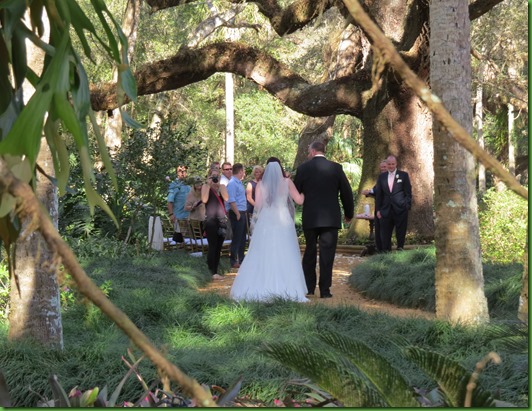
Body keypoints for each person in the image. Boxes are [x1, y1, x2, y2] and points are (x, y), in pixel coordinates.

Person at [230, 160, 308, 302]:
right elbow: (299, 201)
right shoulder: (287, 182)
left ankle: (259, 283)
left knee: (262, 250)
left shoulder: (261, 184)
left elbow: (258, 205)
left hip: (266, 219)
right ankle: (288, 286)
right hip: (283, 219)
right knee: (286, 251)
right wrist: (304, 192)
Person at [294, 141, 354, 299]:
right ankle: (325, 290)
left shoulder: (303, 169)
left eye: (309, 151)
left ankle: (309, 288)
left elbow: (296, 192)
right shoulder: (336, 168)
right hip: (330, 218)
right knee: (327, 254)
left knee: (309, 252)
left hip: (310, 217)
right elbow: (346, 192)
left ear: (313, 151)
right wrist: (349, 213)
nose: (308, 154)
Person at [374, 155, 412, 252]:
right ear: (386, 164)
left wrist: (406, 205)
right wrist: (378, 210)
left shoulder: (403, 175)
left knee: (401, 232)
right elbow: (379, 195)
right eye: (389, 164)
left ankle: (400, 250)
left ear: (396, 164)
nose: (391, 166)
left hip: (400, 209)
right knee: (385, 233)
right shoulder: (381, 177)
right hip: (385, 210)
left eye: (393, 164)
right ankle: (386, 253)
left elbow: (408, 192)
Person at [201, 169, 229, 280]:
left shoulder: (222, 187)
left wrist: (220, 187)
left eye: (217, 176)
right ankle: (211, 271)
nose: (215, 178)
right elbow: (204, 200)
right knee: (212, 246)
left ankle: (215, 271)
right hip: (211, 220)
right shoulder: (205, 187)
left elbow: (226, 198)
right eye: (213, 176)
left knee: (218, 247)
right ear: (209, 176)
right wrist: (208, 185)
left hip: (222, 221)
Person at [361, 160, 388, 252]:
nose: (382, 169)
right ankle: (379, 250)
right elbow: (375, 190)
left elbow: (382, 191)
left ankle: (385, 251)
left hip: (386, 208)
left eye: (384, 167)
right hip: (378, 208)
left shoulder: (390, 178)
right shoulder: (380, 178)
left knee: (384, 230)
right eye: (381, 168)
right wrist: (368, 193)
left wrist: (371, 191)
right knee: (378, 230)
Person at [226, 163, 247, 268]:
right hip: (236, 213)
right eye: (243, 171)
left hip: (242, 212)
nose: (244, 173)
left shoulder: (239, 182)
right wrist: (237, 213)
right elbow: (231, 200)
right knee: (237, 237)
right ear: (240, 171)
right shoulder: (232, 183)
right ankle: (233, 260)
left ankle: (241, 258)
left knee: (242, 237)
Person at [167, 165, 191, 243]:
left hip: (189, 217)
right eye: (180, 171)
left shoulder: (188, 185)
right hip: (179, 217)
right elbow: (170, 201)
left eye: (184, 171)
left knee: (189, 241)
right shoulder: (174, 185)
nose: (182, 173)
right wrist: (171, 214)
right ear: (177, 173)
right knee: (179, 240)